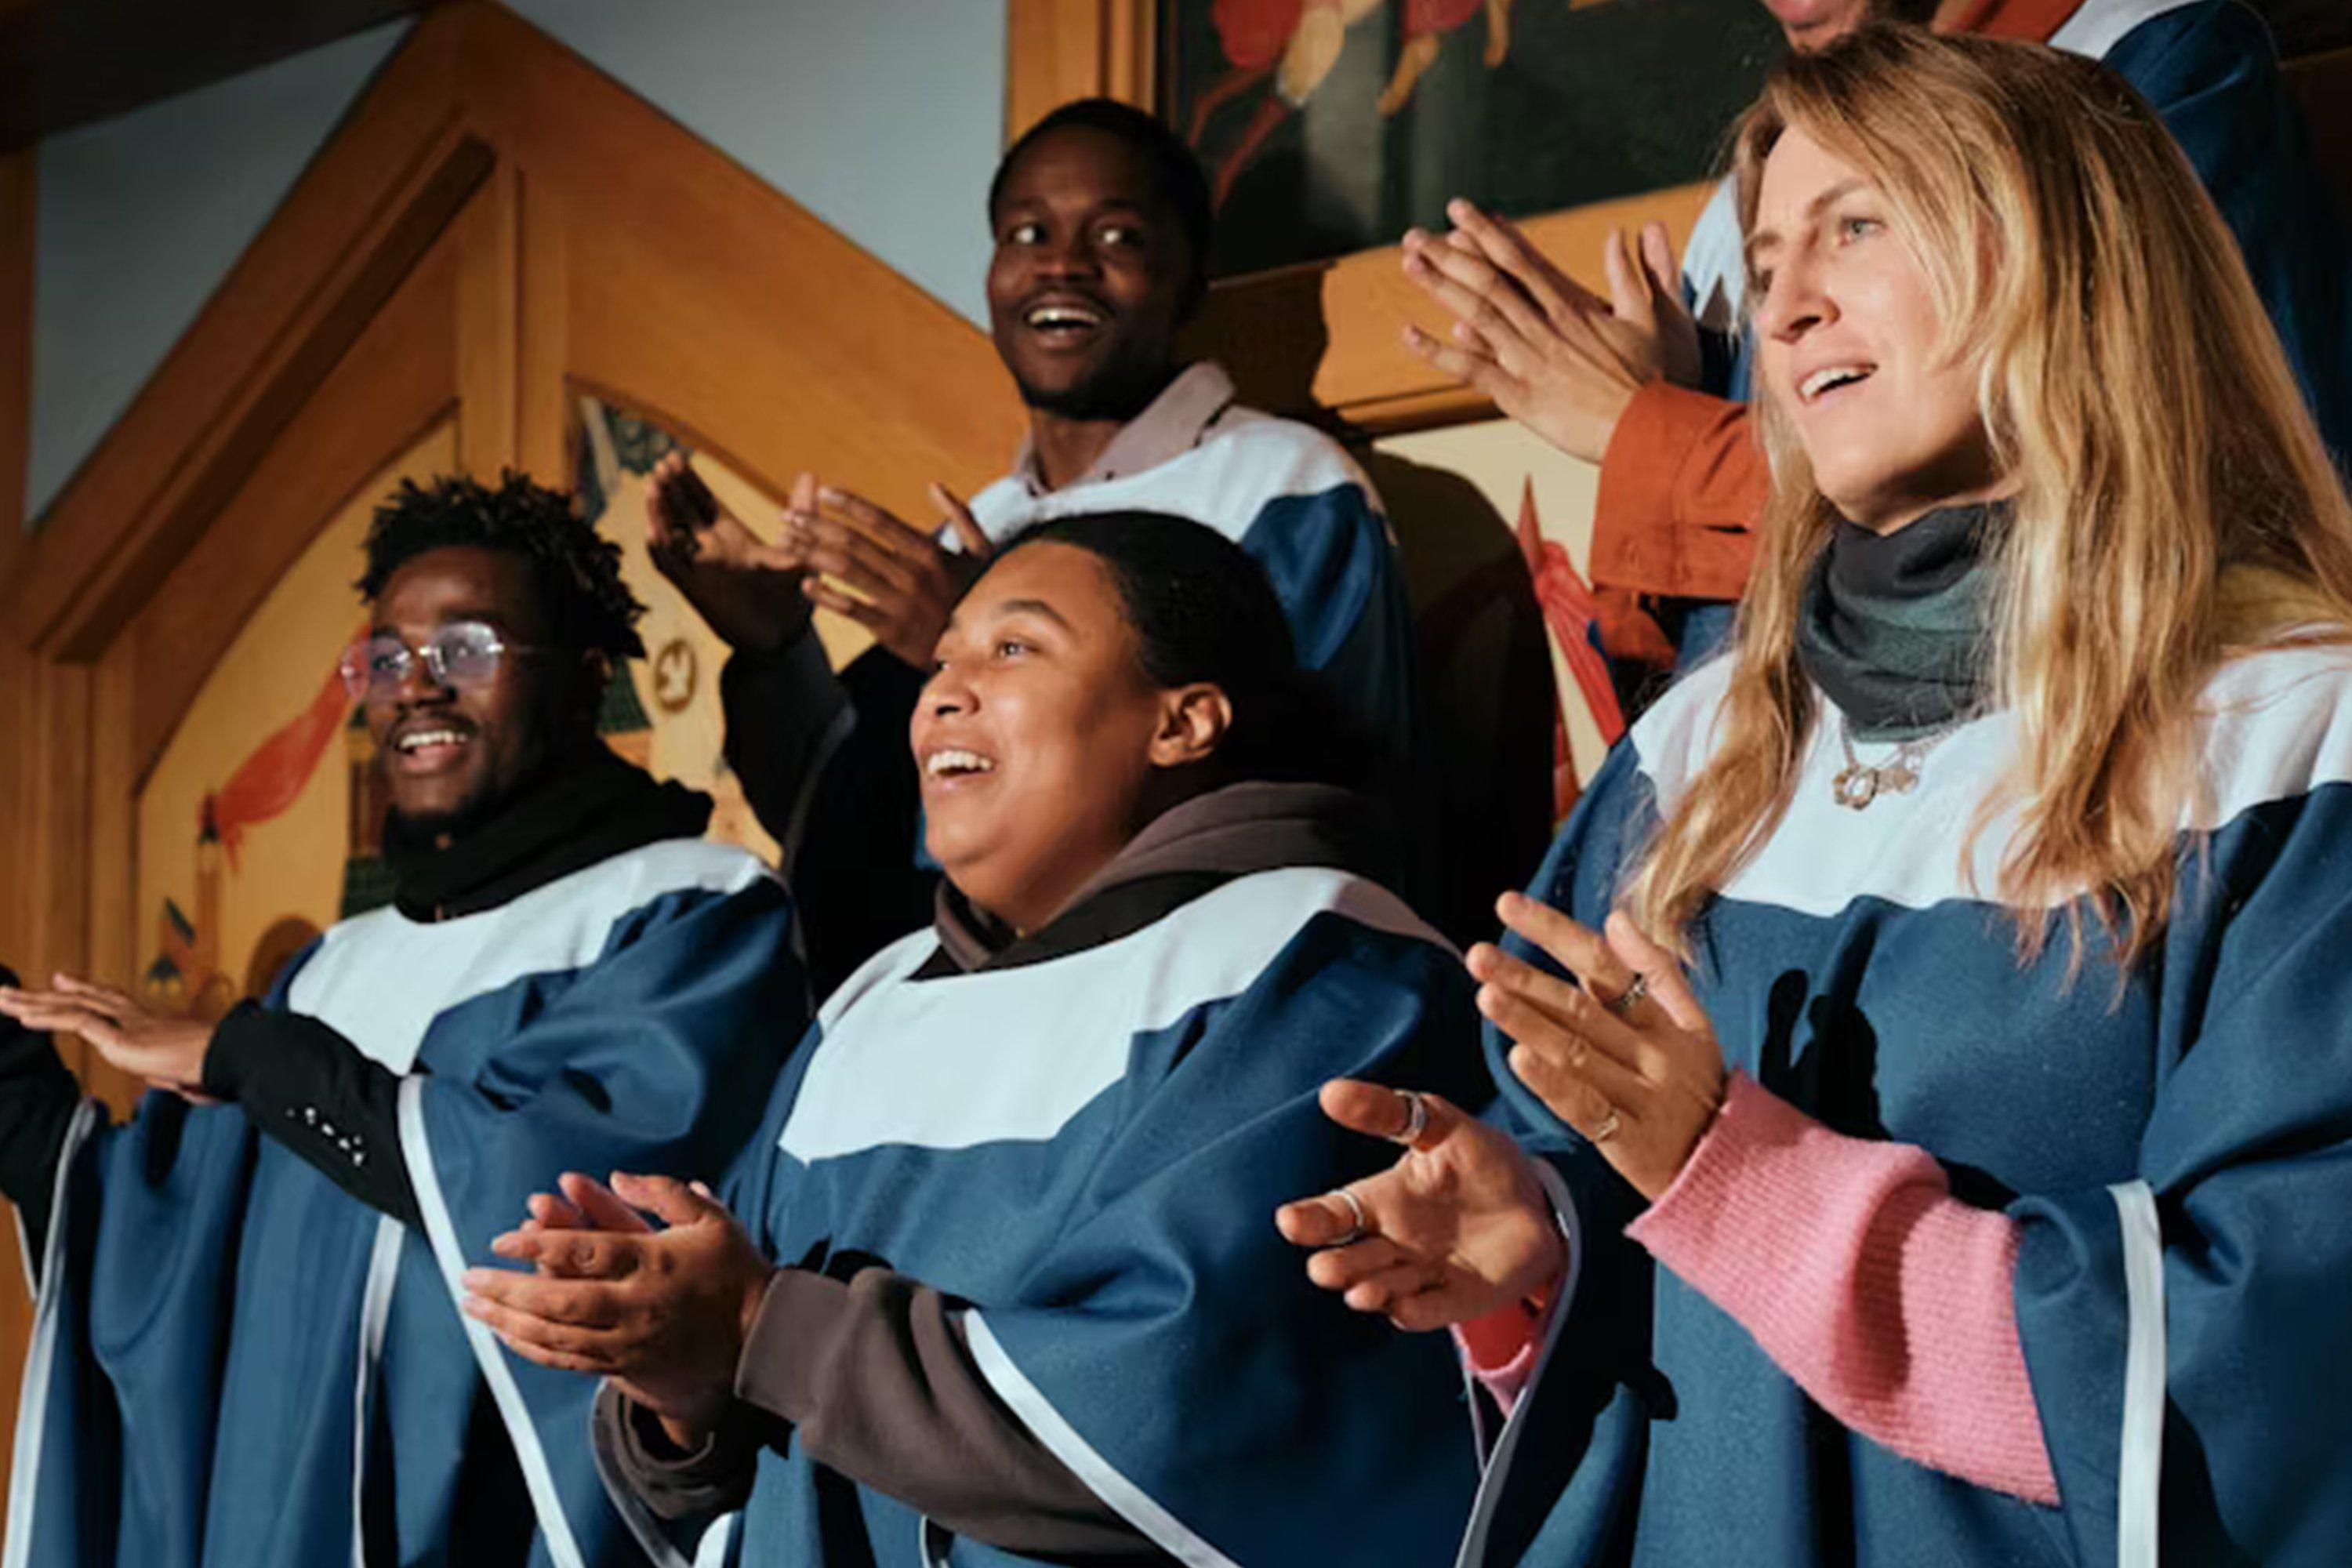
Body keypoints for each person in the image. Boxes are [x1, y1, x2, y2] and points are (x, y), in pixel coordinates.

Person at [1282, 27, 2352, 1565]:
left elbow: (2280, 1362)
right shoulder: (1696, 756)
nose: (1786, 305)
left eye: (1859, 225)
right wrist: (1531, 1252)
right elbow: (1621, 1241)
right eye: (1770, 255)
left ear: (2074, 254)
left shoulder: (2290, 744)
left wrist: (1749, 1185)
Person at [463, 513, 1489, 1567]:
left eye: (1013, 648)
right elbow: (751, 1407)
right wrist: (678, 1387)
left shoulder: (1321, 964)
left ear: (1183, 724)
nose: (942, 691)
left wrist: (765, 1327)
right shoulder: (875, 997)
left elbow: (1205, 1406)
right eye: (942, 658)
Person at [0, 474, 805, 1566]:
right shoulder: (336, 964)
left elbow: (561, 1202)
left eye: (466, 651)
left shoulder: (689, 907)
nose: (416, 689)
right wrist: (19, 1096)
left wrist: (249, 1054)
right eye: (386, 661)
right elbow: (175, 1257)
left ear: (581, 677)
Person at [649, 96, 1416, 998]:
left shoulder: (1283, 488)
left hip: (1180, 985)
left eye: (1119, 236)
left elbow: (1331, 790)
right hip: (972, 990)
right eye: (1026, 233)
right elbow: (855, 835)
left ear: (1192, 278)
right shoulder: (976, 520)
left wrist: (993, 648)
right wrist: (776, 647)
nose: (1062, 264)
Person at [1402, 0, 2352, 687]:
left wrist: (1647, 435)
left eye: (1861, 227)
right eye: (1773, 274)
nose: (1787, 305)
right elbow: (1722, 642)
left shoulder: (2140, 70)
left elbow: (2162, 487)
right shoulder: (1743, 215)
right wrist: (1677, 387)